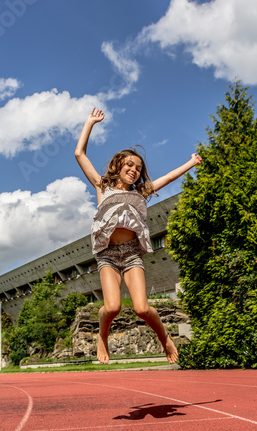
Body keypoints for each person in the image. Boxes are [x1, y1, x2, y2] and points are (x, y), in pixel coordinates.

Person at [75, 107, 202, 364]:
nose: (134, 169)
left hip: (131, 251)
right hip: (107, 254)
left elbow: (167, 178)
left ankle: (164, 338)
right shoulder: (102, 186)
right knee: (111, 307)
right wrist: (89, 123)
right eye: (129, 164)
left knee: (142, 308)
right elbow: (80, 154)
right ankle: (103, 336)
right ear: (117, 166)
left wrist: (191, 163)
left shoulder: (141, 192)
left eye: (138, 167)